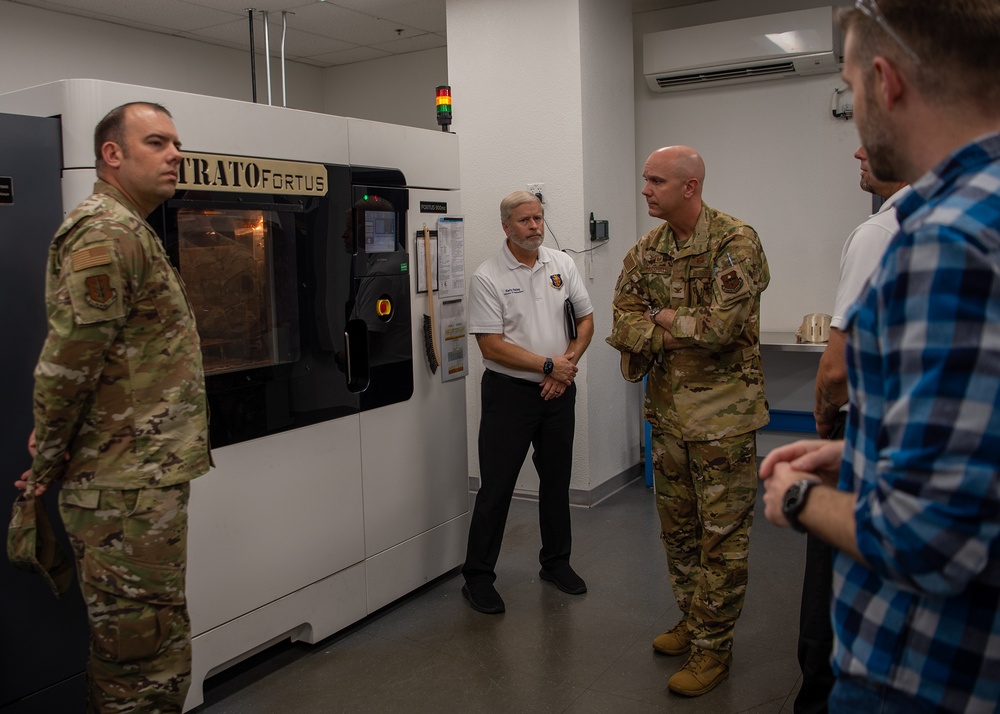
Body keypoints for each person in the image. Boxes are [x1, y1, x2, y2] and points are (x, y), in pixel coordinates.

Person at [759, 2, 1000, 712]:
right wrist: (866, 450)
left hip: (929, 675)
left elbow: (932, 541)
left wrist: (799, 499)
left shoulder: (942, 242)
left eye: (848, 85)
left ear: (885, 82)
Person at [14, 102, 211, 712]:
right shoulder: (105, 232)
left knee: (154, 640)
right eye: (157, 142)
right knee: (140, 655)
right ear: (112, 154)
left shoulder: (130, 227)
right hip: (121, 486)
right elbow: (69, 360)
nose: (175, 153)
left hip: (138, 479)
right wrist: (46, 460)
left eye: (176, 143)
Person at [607, 146, 769, 697]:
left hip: (723, 422)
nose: (646, 190)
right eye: (646, 179)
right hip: (669, 418)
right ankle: (692, 620)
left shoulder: (735, 242)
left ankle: (713, 650)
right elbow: (622, 322)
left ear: (689, 187)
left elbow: (725, 329)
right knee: (679, 533)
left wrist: (662, 318)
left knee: (722, 540)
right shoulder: (647, 250)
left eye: (656, 181)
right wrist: (670, 325)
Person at [796, 147, 908, 714]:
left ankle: (819, 693)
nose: (858, 151)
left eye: (871, 133)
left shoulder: (881, 231)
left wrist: (825, 423)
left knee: (832, 573)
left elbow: (835, 368)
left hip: (868, 433)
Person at [461, 190, 594, 615]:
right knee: (497, 488)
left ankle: (556, 563)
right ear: (506, 226)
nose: (534, 226)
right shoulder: (487, 276)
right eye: (524, 221)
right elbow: (491, 346)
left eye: (538, 218)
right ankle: (478, 578)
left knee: (556, 483)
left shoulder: (562, 264)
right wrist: (550, 365)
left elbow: (586, 319)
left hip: (558, 390)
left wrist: (565, 365)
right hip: (510, 396)